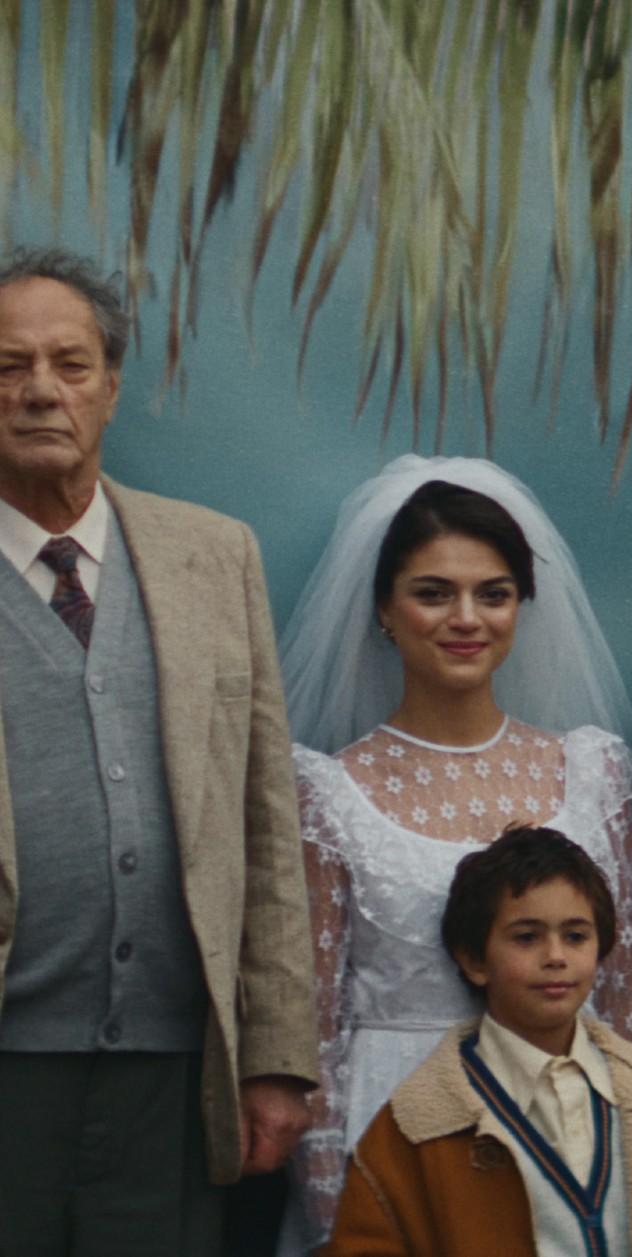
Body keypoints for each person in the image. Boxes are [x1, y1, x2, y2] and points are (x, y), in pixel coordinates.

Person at [0, 246, 317, 1253]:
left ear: (111, 386)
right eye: (8, 366)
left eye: (70, 364)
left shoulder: (213, 556)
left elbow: (266, 828)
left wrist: (276, 1056)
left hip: (176, 1074)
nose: (40, 390)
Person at [275, 456, 632, 1251]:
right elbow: (312, 1029)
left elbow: (630, 999)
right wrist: (333, 1217)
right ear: (384, 608)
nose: (466, 617)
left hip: (575, 1133)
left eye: (493, 593)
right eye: (433, 592)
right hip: (398, 1134)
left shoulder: (592, 772)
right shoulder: (326, 792)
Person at [323, 825, 632, 1255]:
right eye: (527, 937)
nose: (556, 956)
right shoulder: (415, 1128)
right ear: (475, 960)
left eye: (575, 936)